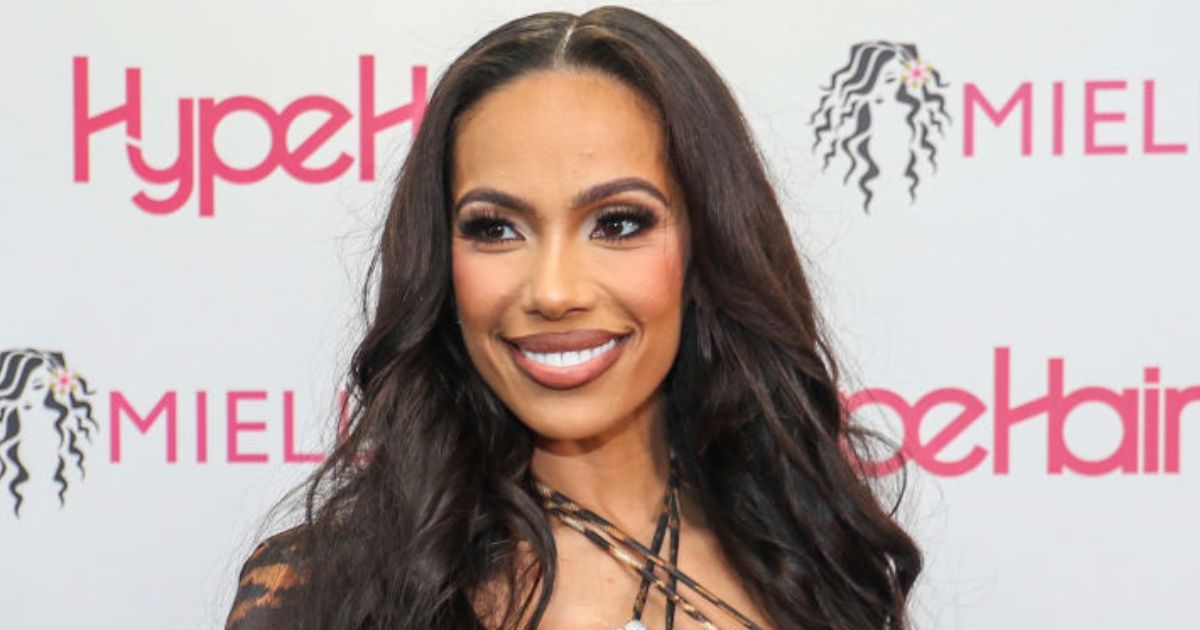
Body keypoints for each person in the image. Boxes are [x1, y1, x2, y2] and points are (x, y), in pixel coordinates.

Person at [225, 6, 922, 629]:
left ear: (706, 247)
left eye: (618, 223)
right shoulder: (326, 589)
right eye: (496, 229)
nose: (553, 291)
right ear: (441, 260)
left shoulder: (813, 563)